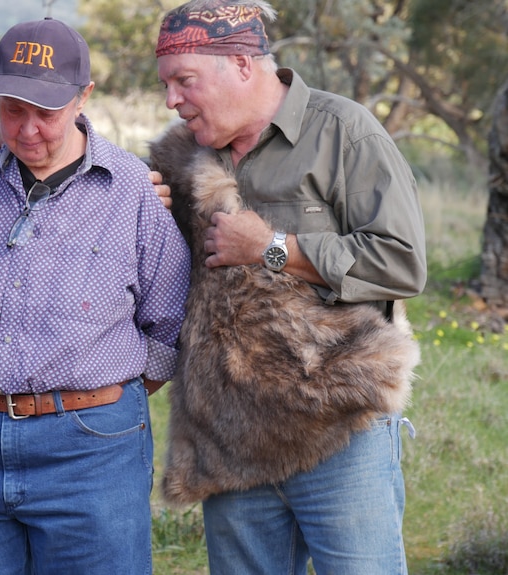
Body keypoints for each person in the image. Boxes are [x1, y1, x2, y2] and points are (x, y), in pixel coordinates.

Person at [152, 1, 427, 574]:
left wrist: (274, 248)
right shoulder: (181, 155)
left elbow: (402, 263)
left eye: (185, 81)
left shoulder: (342, 131)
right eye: (167, 84)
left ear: (243, 66)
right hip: (229, 440)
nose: (172, 100)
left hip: (338, 431)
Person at [0, 17, 191, 575]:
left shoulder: (132, 188)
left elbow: (168, 323)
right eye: (13, 110)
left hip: (92, 449)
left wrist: (94, 400)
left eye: (46, 112)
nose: (28, 129)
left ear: (83, 97)